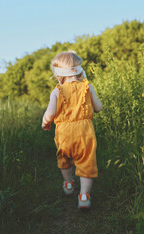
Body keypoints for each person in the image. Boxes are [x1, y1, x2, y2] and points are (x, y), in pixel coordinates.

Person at [42, 51, 102, 210]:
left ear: (58, 75)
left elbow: (50, 113)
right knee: (86, 162)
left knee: (64, 158)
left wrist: (45, 121)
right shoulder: (88, 87)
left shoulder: (57, 91)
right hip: (85, 131)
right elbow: (98, 108)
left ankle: (68, 184)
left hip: (64, 133)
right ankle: (84, 196)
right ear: (80, 71)